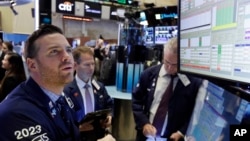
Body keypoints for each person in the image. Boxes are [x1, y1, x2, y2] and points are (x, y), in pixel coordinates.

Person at [0, 24, 80, 140]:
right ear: (32, 65)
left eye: (68, 50)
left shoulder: (62, 98)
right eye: (54, 51)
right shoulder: (17, 113)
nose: (66, 57)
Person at [132, 37, 203, 141]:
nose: (169, 68)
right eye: (166, 62)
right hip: (147, 137)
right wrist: (144, 123)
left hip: (173, 137)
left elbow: (195, 112)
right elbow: (136, 101)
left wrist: (182, 132)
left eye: (174, 65)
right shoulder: (148, 74)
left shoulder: (193, 82)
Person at [63, 46, 114, 141]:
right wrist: (78, 128)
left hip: (99, 136)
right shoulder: (66, 91)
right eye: (87, 65)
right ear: (75, 66)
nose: (91, 68)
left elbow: (109, 104)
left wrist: (109, 116)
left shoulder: (99, 87)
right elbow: (62, 122)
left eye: (93, 64)